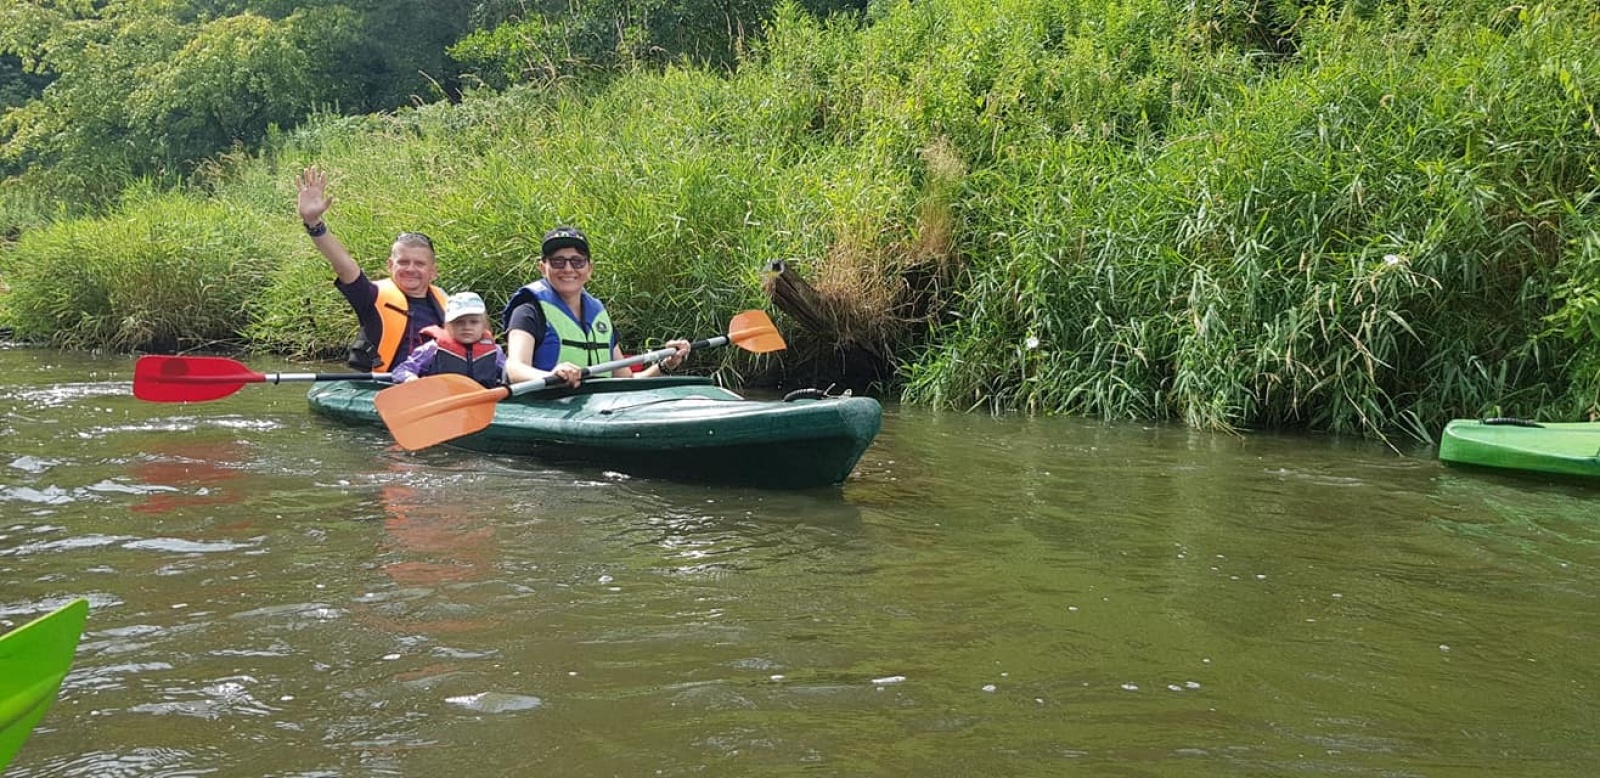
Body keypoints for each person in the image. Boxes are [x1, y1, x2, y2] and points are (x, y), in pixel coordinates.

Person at [296, 166, 448, 372]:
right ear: (390, 265)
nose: (410, 269)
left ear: (433, 272)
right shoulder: (371, 296)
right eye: (403, 262)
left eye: (419, 264)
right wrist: (313, 223)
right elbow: (344, 266)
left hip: (436, 385)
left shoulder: (449, 306)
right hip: (383, 384)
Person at [502, 226, 689, 386]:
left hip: (598, 408)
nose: (568, 268)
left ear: (589, 269)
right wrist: (551, 375)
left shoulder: (598, 314)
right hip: (549, 408)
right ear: (543, 268)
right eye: (558, 261)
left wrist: (667, 364)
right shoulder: (528, 311)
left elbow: (627, 380)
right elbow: (515, 369)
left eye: (577, 261)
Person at [390, 292, 507, 388]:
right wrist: (411, 379)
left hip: (483, 401)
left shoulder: (495, 352)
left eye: (474, 322)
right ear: (448, 325)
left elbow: (508, 375)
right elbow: (402, 370)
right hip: (442, 400)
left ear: (484, 325)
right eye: (459, 322)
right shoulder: (432, 348)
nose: (467, 327)